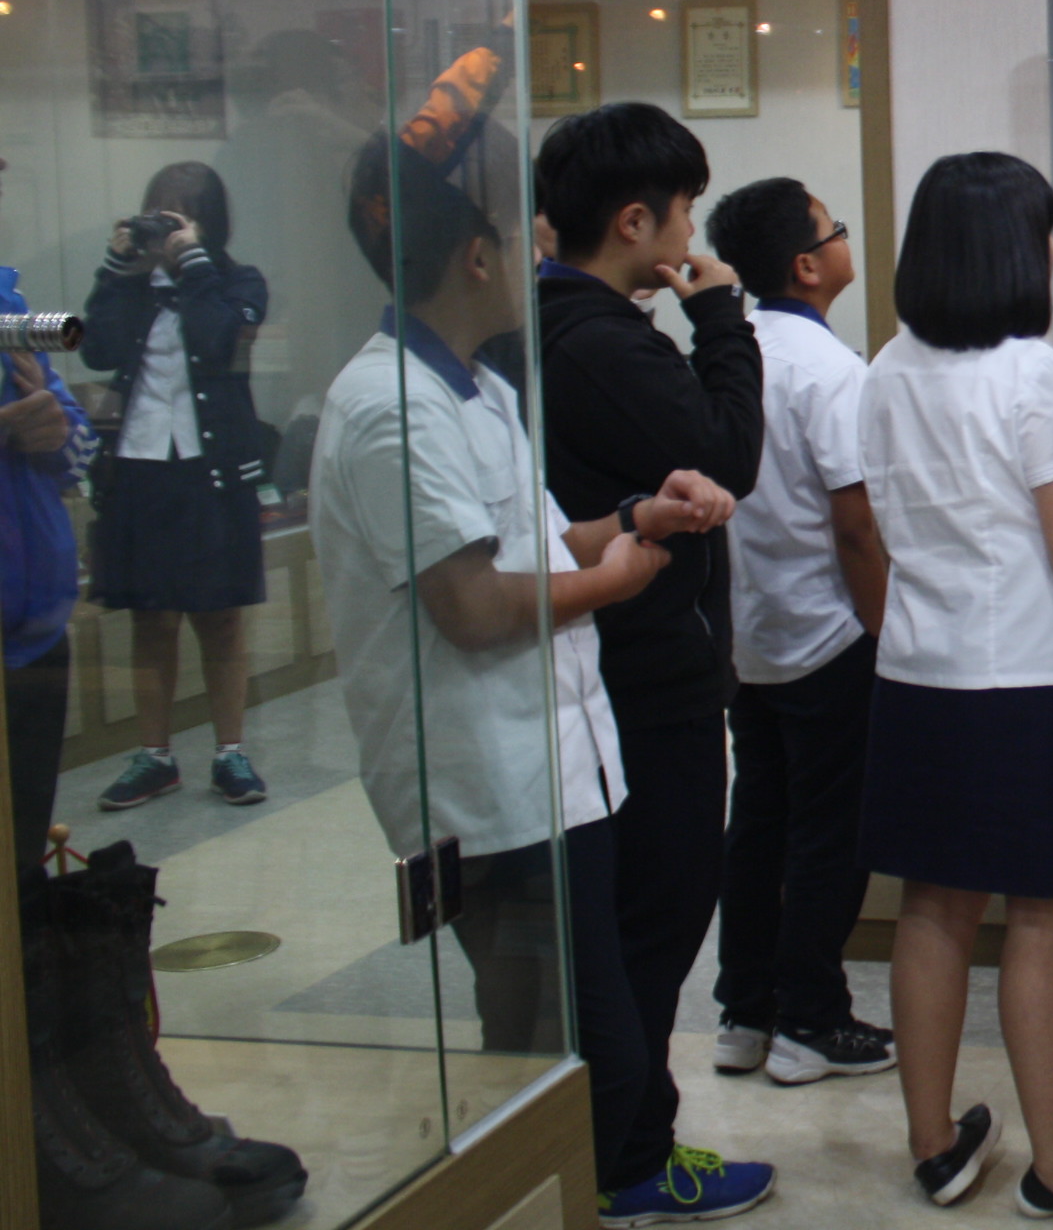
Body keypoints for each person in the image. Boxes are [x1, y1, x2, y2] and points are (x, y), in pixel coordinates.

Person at [317, 131, 740, 1221]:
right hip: (488, 786)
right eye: (525, 231)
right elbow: (469, 605)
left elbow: (545, 541)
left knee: (580, 1039)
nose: (542, 245)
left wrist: (639, 517)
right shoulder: (390, 406)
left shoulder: (477, 385)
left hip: (560, 770)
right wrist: (617, 578)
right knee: (561, 1047)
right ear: (476, 254)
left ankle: (591, 1189)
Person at [859, 152, 1053, 1215]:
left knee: (932, 909)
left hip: (916, 674)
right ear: (1014, 251)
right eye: (1044, 233)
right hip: (1029, 678)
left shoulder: (885, 368)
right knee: (1046, 917)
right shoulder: (1035, 375)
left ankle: (935, 1142)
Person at [532, 103, 775, 1224]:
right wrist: (721, 312)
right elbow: (726, 454)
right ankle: (629, 1156)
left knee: (638, 917)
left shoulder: (562, 326)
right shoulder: (595, 340)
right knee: (658, 915)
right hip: (644, 675)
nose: (690, 235)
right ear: (635, 221)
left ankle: (623, 1141)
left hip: (617, 668)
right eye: (682, 213)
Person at [701, 177, 896, 1087]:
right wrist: (883, 631)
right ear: (808, 266)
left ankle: (745, 1012)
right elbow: (856, 525)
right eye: (835, 229)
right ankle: (812, 1020)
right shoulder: (831, 372)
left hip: (750, 639)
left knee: (759, 822)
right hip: (828, 636)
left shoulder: (730, 353)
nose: (846, 239)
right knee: (829, 832)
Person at [83, 162, 276, 813]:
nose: (165, 224)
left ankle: (230, 752)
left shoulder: (237, 281)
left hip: (210, 470)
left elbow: (218, 339)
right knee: (150, 616)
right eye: (157, 211)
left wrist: (192, 262)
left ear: (207, 220)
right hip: (139, 466)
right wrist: (117, 269)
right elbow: (98, 350)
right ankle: (155, 756)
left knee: (220, 617)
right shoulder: (132, 285)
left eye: (181, 212)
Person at [4, 148, 95, 870]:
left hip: (36, 635)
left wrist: (53, 429)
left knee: (25, 856)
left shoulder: (10, 310)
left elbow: (80, 451)